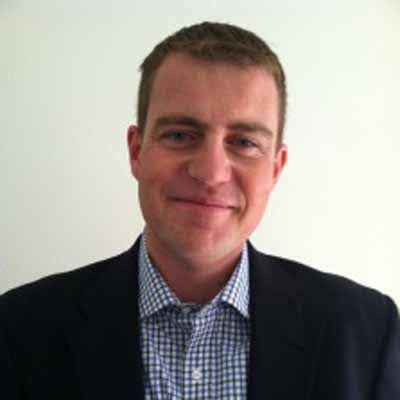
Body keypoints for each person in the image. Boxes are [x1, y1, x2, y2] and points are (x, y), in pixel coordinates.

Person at [1, 21, 399, 400]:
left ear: (275, 169)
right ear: (136, 152)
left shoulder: (366, 332)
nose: (210, 173)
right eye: (179, 135)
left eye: (244, 142)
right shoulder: (19, 330)